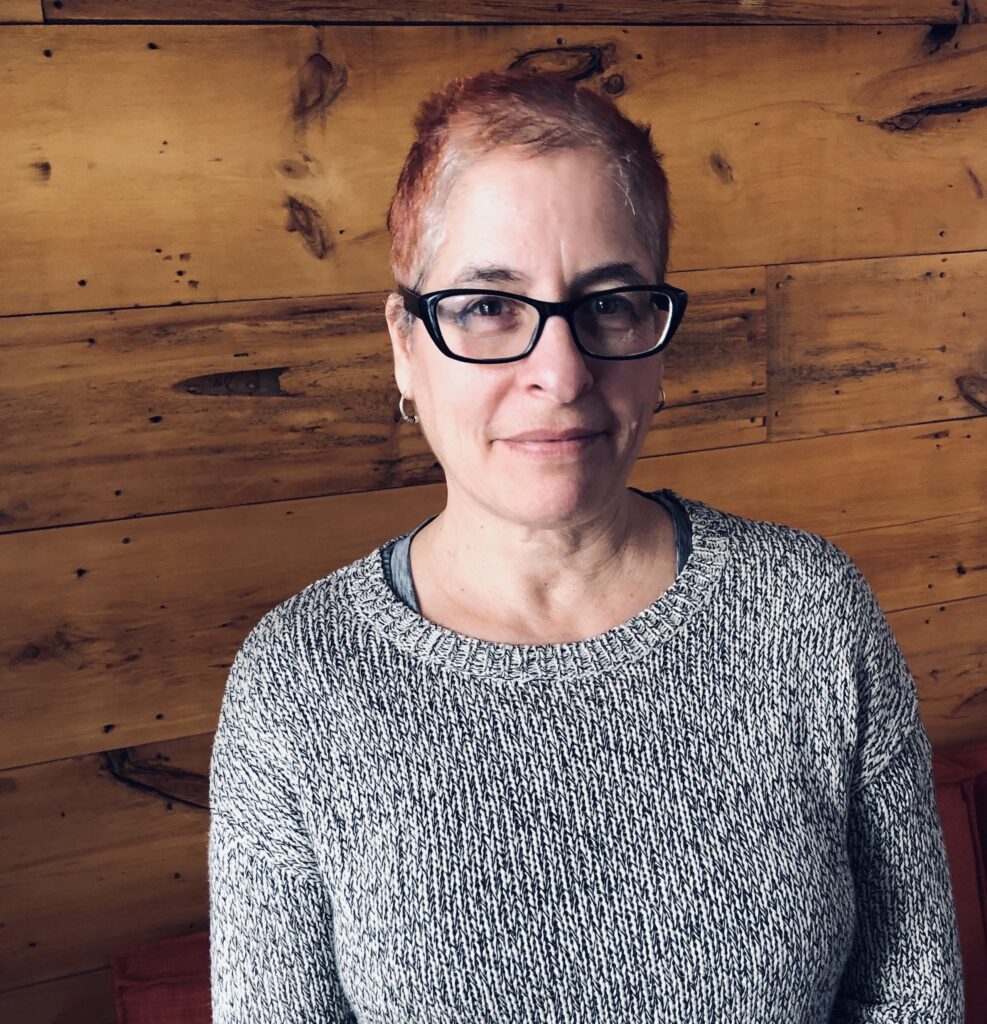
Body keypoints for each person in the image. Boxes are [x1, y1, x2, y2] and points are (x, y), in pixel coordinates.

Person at [208, 70, 964, 1022]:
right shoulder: (299, 678)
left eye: (609, 304)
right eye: (488, 305)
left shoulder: (809, 613)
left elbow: (912, 996)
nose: (559, 374)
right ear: (405, 344)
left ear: (657, 342)